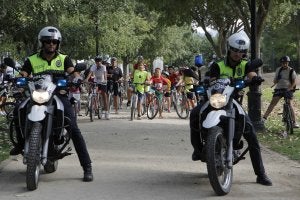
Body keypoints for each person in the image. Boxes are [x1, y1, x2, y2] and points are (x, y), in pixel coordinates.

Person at [9, 26, 93, 182]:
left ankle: (87, 166)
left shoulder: (64, 59)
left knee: (73, 127)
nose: (51, 44)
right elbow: (24, 73)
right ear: (42, 42)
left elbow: (72, 71)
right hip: (37, 94)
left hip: (57, 95)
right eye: (48, 41)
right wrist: (17, 78)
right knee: (18, 110)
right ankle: (21, 143)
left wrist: (77, 78)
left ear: (58, 43)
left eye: (54, 41)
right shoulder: (32, 59)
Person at [189, 31, 272, 186]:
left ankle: (261, 174)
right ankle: (198, 149)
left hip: (233, 101)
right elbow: (211, 79)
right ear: (229, 49)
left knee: (252, 135)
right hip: (216, 99)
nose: (237, 54)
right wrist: (210, 82)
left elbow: (251, 73)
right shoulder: (218, 65)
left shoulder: (245, 65)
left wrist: (254, 78)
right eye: (235, 50)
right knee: (195, 114)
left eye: (241, 52)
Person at [262, 56, 299, 128]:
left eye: (286, 63)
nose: (284, 64)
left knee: (289, 103)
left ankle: (294, 122)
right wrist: (277, 79)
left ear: (288, 63)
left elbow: (294, 82)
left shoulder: (291, 70)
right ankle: (264, 119)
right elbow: (275, 81)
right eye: (283, 63)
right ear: (281, 63)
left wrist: (290, 88)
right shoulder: (278, 70)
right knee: (273, 103)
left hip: (288, 89)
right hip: (279, 88)